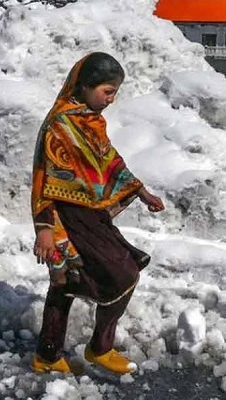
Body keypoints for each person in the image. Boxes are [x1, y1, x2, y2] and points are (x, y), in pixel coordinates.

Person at [30, 52, 165, 375]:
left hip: (92, 215)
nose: (111, 99)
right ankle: (99, 348)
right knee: (124, 274)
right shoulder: (60, 126)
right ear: (85, 86)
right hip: (69, 217)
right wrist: (45, 228)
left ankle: (47, 357)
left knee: (67, 283)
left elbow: (109, 159)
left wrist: (139, 190)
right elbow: (44, 179)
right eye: (107, 91)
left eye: (115, 92)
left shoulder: (90, 121)